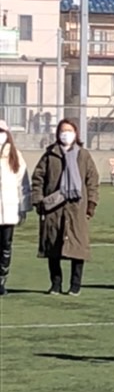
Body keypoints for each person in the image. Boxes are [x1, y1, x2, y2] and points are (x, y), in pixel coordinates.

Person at [30, 119, 99, 296]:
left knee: (78, 247)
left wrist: (91, 204)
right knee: (53, 247)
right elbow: (38, 178)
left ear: (76, 134)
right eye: (63, 131)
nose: (66, 134)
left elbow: (92, 181)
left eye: (69, 131)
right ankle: (56, 284)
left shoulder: (83, 155)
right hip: (54, 208)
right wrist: (38, 201)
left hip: (77, 208)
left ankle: (75, 285)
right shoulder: (50, 155)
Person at [0, 120, 32, 296]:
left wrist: (24, 207)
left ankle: (2, 280)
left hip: (10, 210)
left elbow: (23, 183)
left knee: (6, 246)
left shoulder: (15, 155)